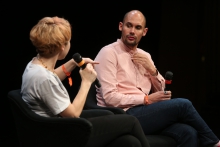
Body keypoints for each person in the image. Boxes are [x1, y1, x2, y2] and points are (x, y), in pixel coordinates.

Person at [94, 10, 220, 147]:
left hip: (144, 112)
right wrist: (146, 99)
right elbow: (110, 98)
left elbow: (161, 92)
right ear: (120, 26)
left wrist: (152, 70)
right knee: (183, 105)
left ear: (144, 32)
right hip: (122, 115)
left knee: (188, 132)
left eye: (137, 27)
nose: (132, 31)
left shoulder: (145, 55)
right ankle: (214, 142)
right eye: (128, 26)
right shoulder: (108, 53)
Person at [21, 16, 150, 147]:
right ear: (62, 47)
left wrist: (73, 63)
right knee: (131, 121)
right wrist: (86, 82)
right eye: (69, 41)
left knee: (128, 141)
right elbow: (72, 115)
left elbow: (51, 75)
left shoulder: (35, 66)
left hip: (55, 125)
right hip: (59, 133)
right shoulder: (44, 79)